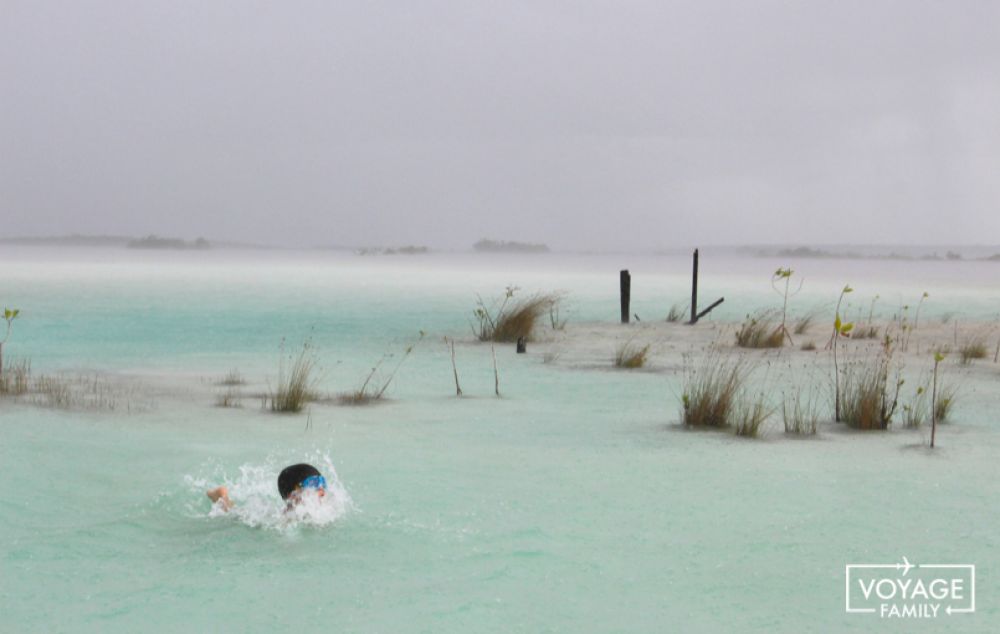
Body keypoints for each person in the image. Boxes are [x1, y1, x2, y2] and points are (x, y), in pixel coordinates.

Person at [206, 463, 327, 512]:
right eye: (313, 484)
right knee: (232, 513)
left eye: (323, 483)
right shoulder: (282, 522)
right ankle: (222, 496)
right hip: (254, 520)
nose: (322, 490)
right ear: (293, 495)